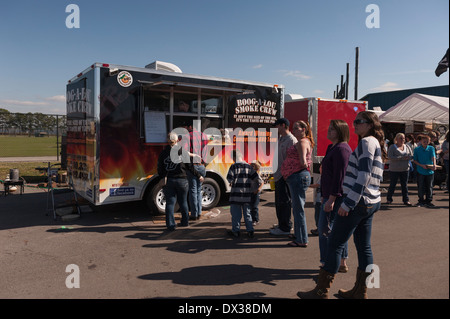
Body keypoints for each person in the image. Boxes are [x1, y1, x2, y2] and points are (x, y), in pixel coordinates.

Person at [297, 111, 386, 299]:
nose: (354, 125)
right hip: (371, 201)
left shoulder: (366, 142)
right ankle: (360, 291)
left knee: (335, 244)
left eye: (359, 122)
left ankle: (321, 291)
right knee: (364, 247)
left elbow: (364, 175)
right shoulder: (374, 142)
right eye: (354, 121)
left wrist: (348, 203)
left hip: (358, 202)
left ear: (370, 125)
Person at [318, 120, 352, 272]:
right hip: (328, 194)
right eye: (329, 128)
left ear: (340, 131)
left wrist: (331, 199)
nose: (329, 131)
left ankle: (328, 262)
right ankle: (341, 262)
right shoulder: (332, 147)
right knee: (337, 230)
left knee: (325, 229)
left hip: (337, 196)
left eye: (332, 129)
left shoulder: (342, 149)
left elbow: (340, 177)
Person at [157, 132, 204, 231]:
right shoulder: (182, 151)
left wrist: (163, 176)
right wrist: (198, 175)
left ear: (167, 140)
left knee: (170, 203)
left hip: (169, 180)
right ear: (177, 140)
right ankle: (185, 222)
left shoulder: (163, 153)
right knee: (183, 202)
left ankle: (170, 225)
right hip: (182, 180)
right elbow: (190, 167)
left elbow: (160, 169)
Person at [281, 120, 314, 247]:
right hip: (296, 177)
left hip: (297, 177)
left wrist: (292, 168)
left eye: (296, 128)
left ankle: (302, 239)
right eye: (293, 128)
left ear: (303, 129)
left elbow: (303, 162)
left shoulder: (301, 142)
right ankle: (298, 234)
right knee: (296, 208)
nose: (293, 130)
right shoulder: (304, 141)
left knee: (298, 209)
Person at [270, 118, 297, 236]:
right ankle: (282, 224)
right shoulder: (281, 139)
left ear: (283, 125)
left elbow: (291, 159)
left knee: (284, 201)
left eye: (276, 126)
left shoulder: (291, 140)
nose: (275, 128)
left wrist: (285, 174)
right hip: (278, 174)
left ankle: (285, 227)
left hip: (285, 175)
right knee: (279, 201)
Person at [226, 149, 258, 238]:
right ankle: (250, 230)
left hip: (235, 195)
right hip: (247, 195)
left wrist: (233, 182)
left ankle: (236, 231)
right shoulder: (249, 167)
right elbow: (256, 178)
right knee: (247, 214)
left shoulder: (233, 167)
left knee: (236, 215)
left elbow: (230, 179)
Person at [181, 120, 208, 220]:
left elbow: (184, 152)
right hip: (201, 166)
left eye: (187, 127)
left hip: (192, 166)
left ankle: (194, 214)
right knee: (199, 190)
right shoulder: (204, 136)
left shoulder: (187, 137)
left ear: (191, 126)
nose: (186, 129)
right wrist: (204, 163)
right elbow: (206, 151)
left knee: (193, 190)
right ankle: (199, 212)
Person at [386, 133, 414, 206]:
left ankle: (406, 200)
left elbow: (411, 156)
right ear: (397, 139)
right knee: (392, 184)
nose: (402, 140)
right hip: (394, 169)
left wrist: (409, 157)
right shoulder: (392, 147)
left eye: (403, 138)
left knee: (404, 185)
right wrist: (401, 158)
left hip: (405, 169)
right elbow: (390, 157)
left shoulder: (407, 146)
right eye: (401, 138)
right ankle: (389, 199)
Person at [412, 134, 436, 208]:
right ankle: (421, 200)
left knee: (429, 186)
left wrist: (434, 164)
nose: (425, 142)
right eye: (424, 141)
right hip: (421, 170)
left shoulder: (431, 148)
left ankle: (428, 201)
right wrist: (421, 165)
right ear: (421, 141)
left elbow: (433, 157)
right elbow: (415, 160)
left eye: (427, 141)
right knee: (421, 186)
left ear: (429, 142)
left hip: (430, 171)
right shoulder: (417, 149)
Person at [250, 160, 264, 226]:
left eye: (253, 166)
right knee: (250, 206)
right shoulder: (250, 174)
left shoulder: (256, 174)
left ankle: (255, 220)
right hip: (250, 192)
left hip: (255, 193)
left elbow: (261, 182)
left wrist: (258, 189)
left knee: (254, 206)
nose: (251, 167)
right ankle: (251, 218)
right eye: (251, 165)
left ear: (256, 167)